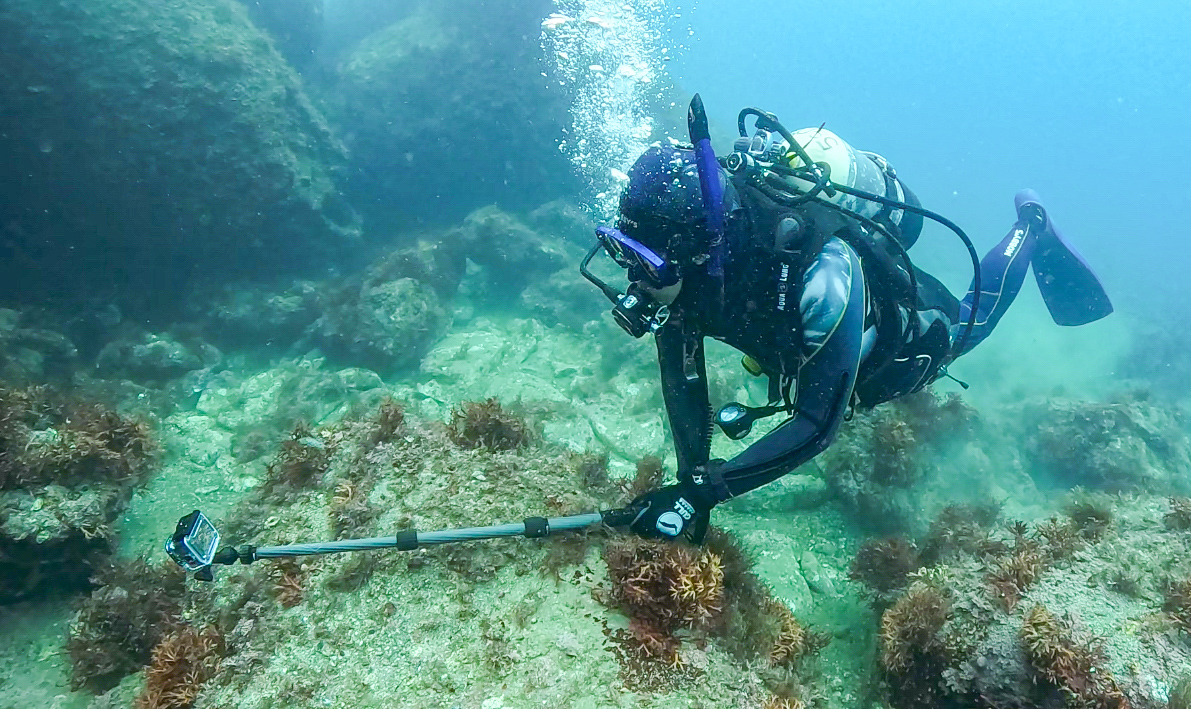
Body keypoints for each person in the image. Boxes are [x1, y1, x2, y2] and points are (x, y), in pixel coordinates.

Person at [580, 96, 1112, 543]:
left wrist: (704, 492)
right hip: (797, 339)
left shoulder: (822, 274)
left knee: (974, 318)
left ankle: (1030, 225)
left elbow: (816, 425)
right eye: (621, 250)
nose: (634, 278)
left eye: (644, 261)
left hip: (900, 348)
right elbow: (684, 379)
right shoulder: (684, 275)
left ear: (702, 248)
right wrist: (691, 482)